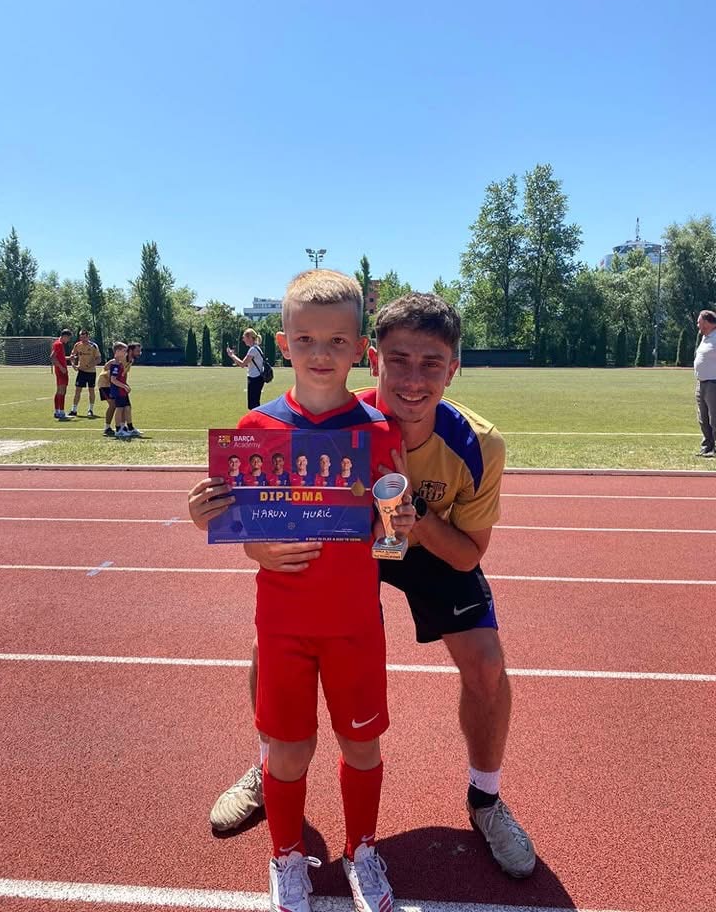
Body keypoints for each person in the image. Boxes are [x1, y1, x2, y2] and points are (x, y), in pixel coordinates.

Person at [194, 292, 536, 880]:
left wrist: (410, 519)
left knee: (485, 664)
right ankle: (269, 762)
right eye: (398, 360)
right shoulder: (339, 416)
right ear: (372, 358)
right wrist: (251, 541)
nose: (413, 380)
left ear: (453, 369)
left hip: (429, 543)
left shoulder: (479, 443)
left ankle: (485, 799)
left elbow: (468, 555)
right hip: (347, 541)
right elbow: (264, 514)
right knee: (273, 641)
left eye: (431, 364)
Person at [190, 268, 415, 912]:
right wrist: (212, 520)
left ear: (360, 349)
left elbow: (390, 545)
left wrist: (395, 525)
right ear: (283, 343)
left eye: (338, 340)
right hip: (283, 624)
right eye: (307, 339)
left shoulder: (380, 432)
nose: (322, 353)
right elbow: (240, 526)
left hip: (354, 623)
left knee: (361, 744)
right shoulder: (254, 427)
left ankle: (362, 849)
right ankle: (286, 856)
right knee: (288, 751)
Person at [101, 342, 143, 438]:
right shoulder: (118, 360)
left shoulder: (130, 360)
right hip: (106, 383)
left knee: (125, 406)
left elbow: (124, 373)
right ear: (130, 351)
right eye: (137, 351)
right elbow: (108, 369)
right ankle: (109, 428)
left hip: (118, 384)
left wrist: (124, 384)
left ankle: (125, 427)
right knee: (114, 406)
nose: (139, 353)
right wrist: (121, 384)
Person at [694, 309, 716, 457]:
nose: (697, 325)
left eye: (699, 322)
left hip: (713, 383)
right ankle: (707, 446)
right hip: (701, 383)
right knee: (703, 417)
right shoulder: (705, 337)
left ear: (707, 323)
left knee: (715, 417)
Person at [227, 329, 267, 409]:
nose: (243, 340)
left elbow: (242, 364)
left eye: (244, 337)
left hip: (255, 378)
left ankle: (257, 417)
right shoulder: (256, 348)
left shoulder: (253, 350)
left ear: (249, 338)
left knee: (253, 405)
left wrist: (232, 355)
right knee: (254, 404)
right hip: (257, 378)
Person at [67, 328, 101, 417]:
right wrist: (73, 365)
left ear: (88, 337)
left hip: (91, 372)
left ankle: (90, 410)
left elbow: (99, 359)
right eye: (81, 337)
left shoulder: (93, 346)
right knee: (77, 390)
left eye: (84, 337)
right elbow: (72, 356)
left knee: (91, 390)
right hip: (81, 372)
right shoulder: (77, 345)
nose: (83, 339)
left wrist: (89, 365)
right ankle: (74, 410)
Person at [109, 342, 132, 439]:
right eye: (124, 351)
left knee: (126, 408)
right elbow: (113, 380)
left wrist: (125, 385)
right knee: (119, 409)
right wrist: (124, 386)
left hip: (122, 390)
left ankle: (126, 428)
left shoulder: (120, 363)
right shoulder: (115, 364)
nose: (125, 353)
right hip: (118, 390)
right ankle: (118, 430)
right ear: (117, 351)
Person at [50, 328, 72, 420]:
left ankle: (57, 411)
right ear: (65, 336)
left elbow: (60, 357)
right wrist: (61, 367)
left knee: (59, 391)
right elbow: (52, 357)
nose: (68, 340)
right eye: (68, 338)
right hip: (61, 371)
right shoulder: (59, 344)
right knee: (62, 391)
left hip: (60, 371)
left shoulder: (57, 343)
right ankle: (62, 412)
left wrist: (69, 358)